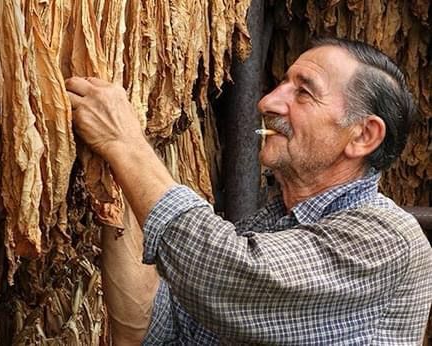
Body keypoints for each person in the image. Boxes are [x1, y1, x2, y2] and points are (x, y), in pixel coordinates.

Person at [66, 37, 432, 344]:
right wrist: (115, 179)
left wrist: (125, 141)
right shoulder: (268, 225)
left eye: (303, 92)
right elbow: (152, 330)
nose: (268, 102)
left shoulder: (387, 237)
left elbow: (226, 274)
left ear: (363, 136)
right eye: (283, 84)